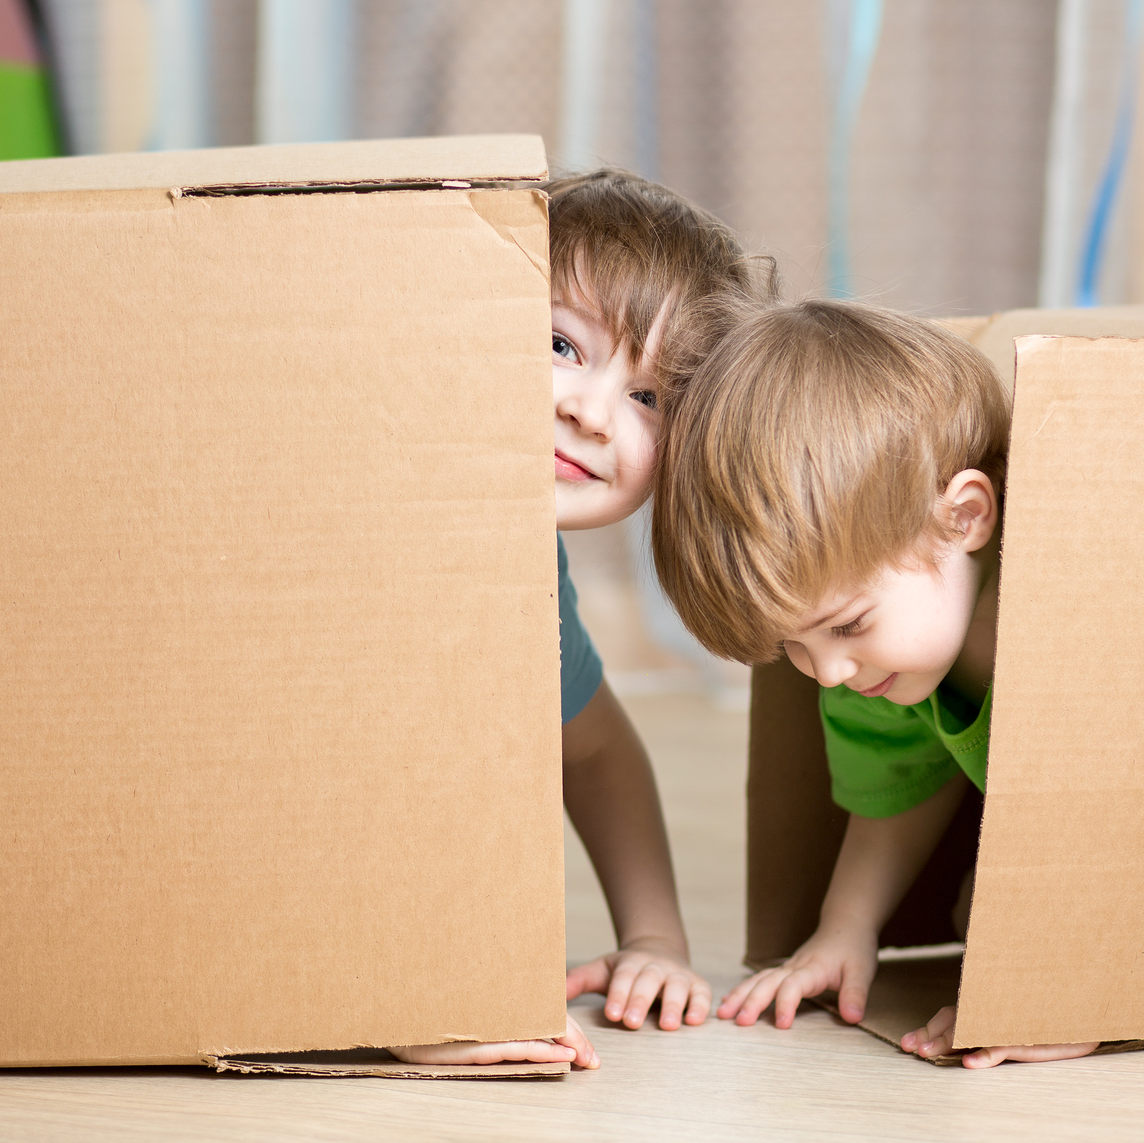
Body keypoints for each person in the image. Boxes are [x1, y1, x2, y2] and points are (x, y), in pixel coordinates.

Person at [391, 170, 776, 1070]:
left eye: (649, 397)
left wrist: (655, 940)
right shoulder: (387, 515)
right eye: (560, 344)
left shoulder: (532, 567)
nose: (589, 410)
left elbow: (596, 749)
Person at [649, 298, 1098, 1069]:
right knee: (973, 908)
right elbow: (897, 789)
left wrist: (1079, 983)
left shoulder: (1066, 625)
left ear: (963, 518)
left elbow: (1140, 810)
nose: (826, 671)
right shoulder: (899, 668)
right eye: (792, 642)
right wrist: (845, 926)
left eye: (848, 623)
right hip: (1061, 861)